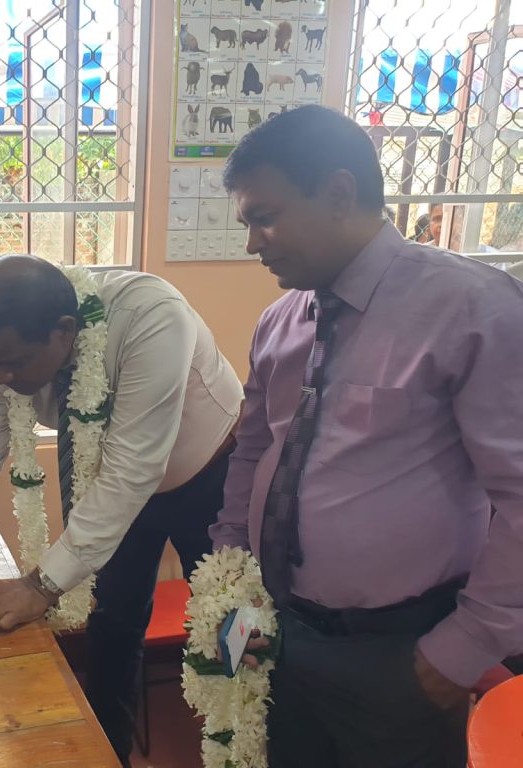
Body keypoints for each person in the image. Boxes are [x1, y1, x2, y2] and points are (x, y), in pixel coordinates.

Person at [212, 104, 523, 767]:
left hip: (403, 652)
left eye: (265, 217)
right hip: (279, 630)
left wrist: (468, 643)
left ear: (338, 193)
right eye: (246, 224)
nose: (253, 243)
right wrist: (232, 581)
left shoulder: (472, 309)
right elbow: (253, 453)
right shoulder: (280, 321)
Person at [0, 255, 243, 765]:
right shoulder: (4, 353)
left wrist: (39, 586)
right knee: (112, 625)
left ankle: (245, 744)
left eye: (14, 363)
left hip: (211, 478)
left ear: (64, 332)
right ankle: (106, 756)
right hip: (112, 490)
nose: (1, 376)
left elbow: (132, 469)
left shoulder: (152, 316)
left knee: (234, 625)